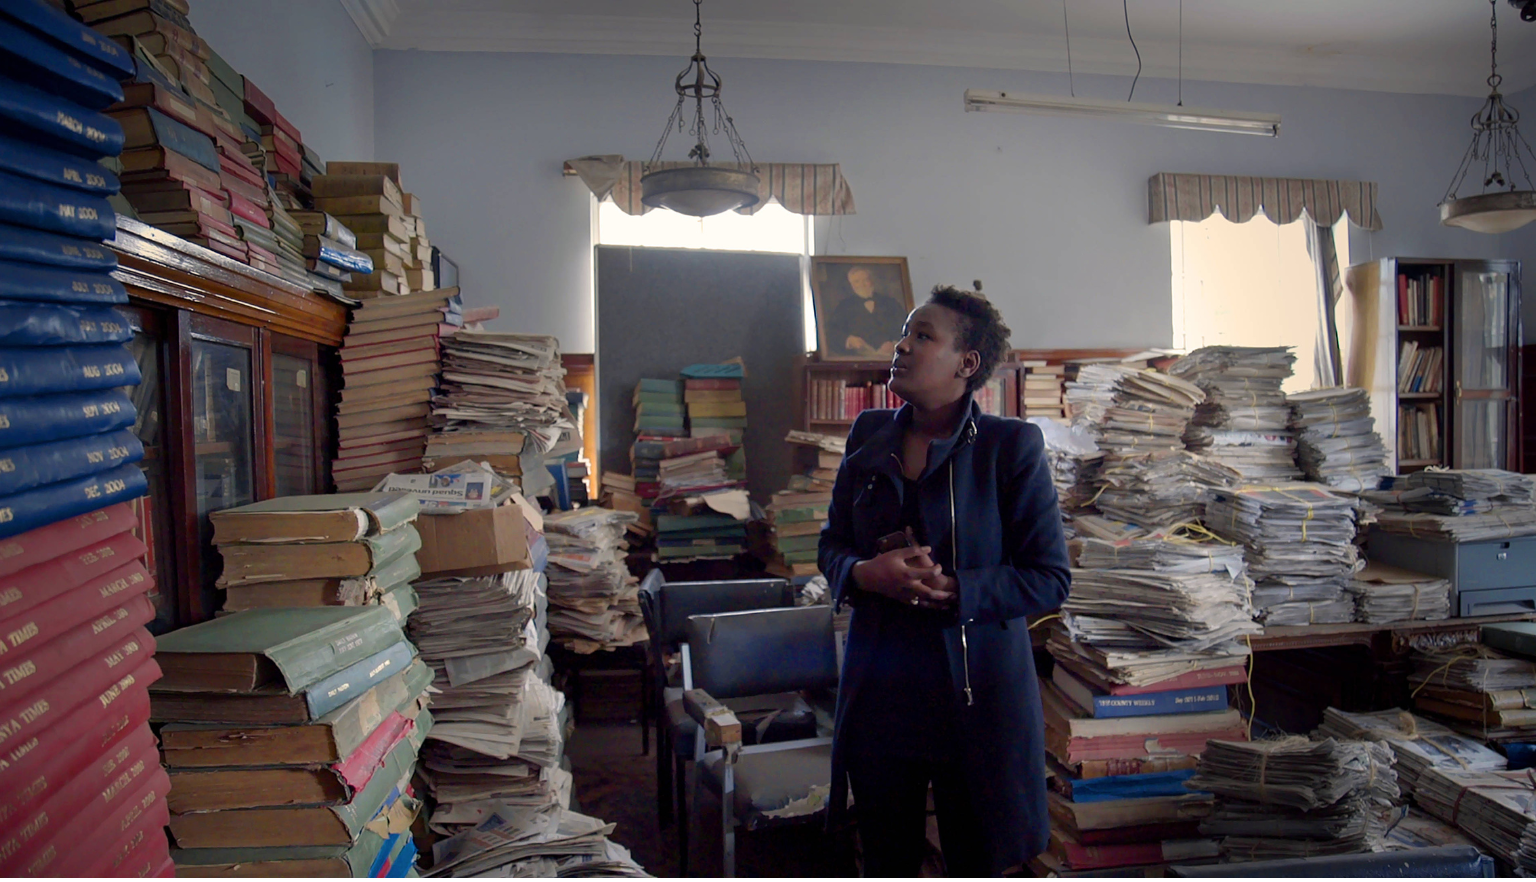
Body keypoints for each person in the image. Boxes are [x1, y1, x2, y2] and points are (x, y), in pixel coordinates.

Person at [819, 285, 1071, 876]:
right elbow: (831, 544)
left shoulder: (1010, 447)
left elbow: (1048, 577)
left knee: (978, 856)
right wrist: (864, 573)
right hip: (881, 691)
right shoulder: (868, 433)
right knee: (886, 856)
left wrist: (958, 590)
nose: (901, 346)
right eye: (904, 333)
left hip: (977, 697)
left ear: (967, 363)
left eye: (922, 335)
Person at [827, 265, 910, 358]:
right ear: (851, 285)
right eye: (857, 281)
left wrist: (895, 342)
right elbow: (833, 331)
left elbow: (905, 325)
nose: (862, 284)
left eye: (865, 280)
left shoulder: (890, 302)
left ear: (871, 281)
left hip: (893, 355)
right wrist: (849, 340)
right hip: (859, 357)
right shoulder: (844, 306)